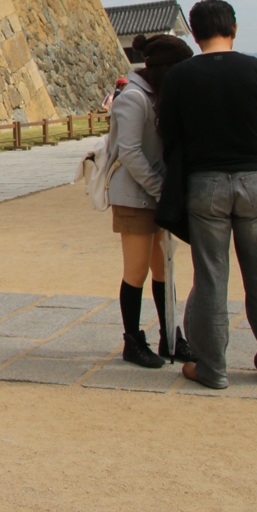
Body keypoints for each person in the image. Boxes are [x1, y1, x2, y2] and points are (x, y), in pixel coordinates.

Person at [159, 0, 257, 391]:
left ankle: (212, 367)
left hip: (206, 183)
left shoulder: (181, 76)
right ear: (233, 28)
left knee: (212, 275)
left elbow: (169, 133)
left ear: (194, 34)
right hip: (254, 180)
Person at [109, 33, 194, 368]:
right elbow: (129, 151)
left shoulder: (157, 95)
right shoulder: (133, 98)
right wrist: (161, 188)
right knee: (137, 270)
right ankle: (133, 340)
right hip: (134, 196)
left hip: (156, 192)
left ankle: (170, 336)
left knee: (164, 269)